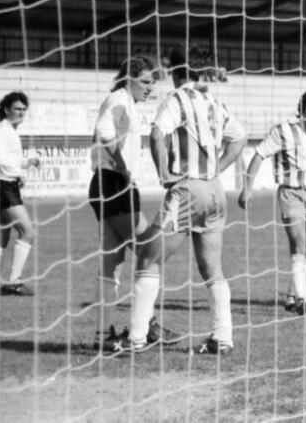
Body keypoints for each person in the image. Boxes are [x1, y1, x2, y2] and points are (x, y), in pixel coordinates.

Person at [114, 45, 246, 354]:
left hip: (187, 191)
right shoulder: (215, 102)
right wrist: (216, 170)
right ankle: (223, 338)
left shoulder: (176, 99)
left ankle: (135, 338)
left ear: (176, 71)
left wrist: (163, 173)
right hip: (215, 191)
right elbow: (239, 138)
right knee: (212, 267)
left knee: (148, 256)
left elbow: (158, 133)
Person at [88, 55, 174, 350]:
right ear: (129, 78)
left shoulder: (126, 102)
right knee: (150, 248)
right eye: (146, 81)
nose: (151, 88)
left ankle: (105, 333)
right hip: (115, 183)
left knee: (112, 261)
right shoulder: (119, 100)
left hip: (106, 183)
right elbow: (104, 132)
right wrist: (124, 167)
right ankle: (146, 328)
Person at [237, 91, 306, 316]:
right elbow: (259, 155)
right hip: (291, 194)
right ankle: (302, 298)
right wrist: (248, 188)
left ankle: (291, 295)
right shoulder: (283, 131)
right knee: (298, 242)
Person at [0, 91, 41, 296]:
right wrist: (19, 173)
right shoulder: (1, 130)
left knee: (2, 235)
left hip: (0, 184)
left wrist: (27, 163)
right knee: (27, 232)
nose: (21, 112)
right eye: (17, 108)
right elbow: (1, 161)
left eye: (24, 109)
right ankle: (14, 281)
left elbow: (9, 160)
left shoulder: (8, 130)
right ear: (6, 109)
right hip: (3, 185)